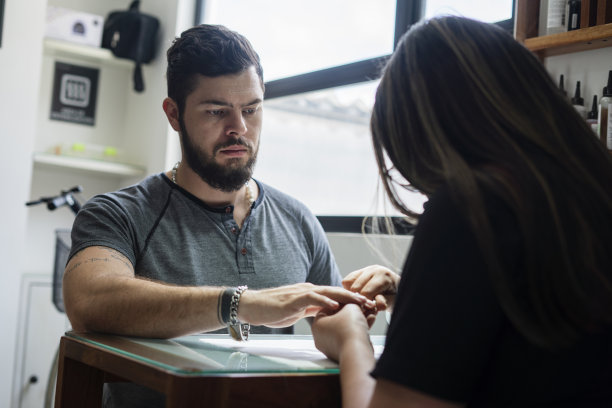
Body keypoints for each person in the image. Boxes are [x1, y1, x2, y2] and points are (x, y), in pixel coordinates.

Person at [62, 24, 383, 407]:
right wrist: (241, 304)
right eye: (217, 111)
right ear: (174, 114)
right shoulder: (119, 213)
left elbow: (328, 322)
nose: (239, 129)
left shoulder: (297, 219)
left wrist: (361, 308)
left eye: (251, 109)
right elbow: (90, 302)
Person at [312, 16, 612, 408]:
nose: (427, 196)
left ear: (428, 139)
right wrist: (415, 294)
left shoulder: (476, 205)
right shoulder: (586, 192)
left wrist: (351, 338)